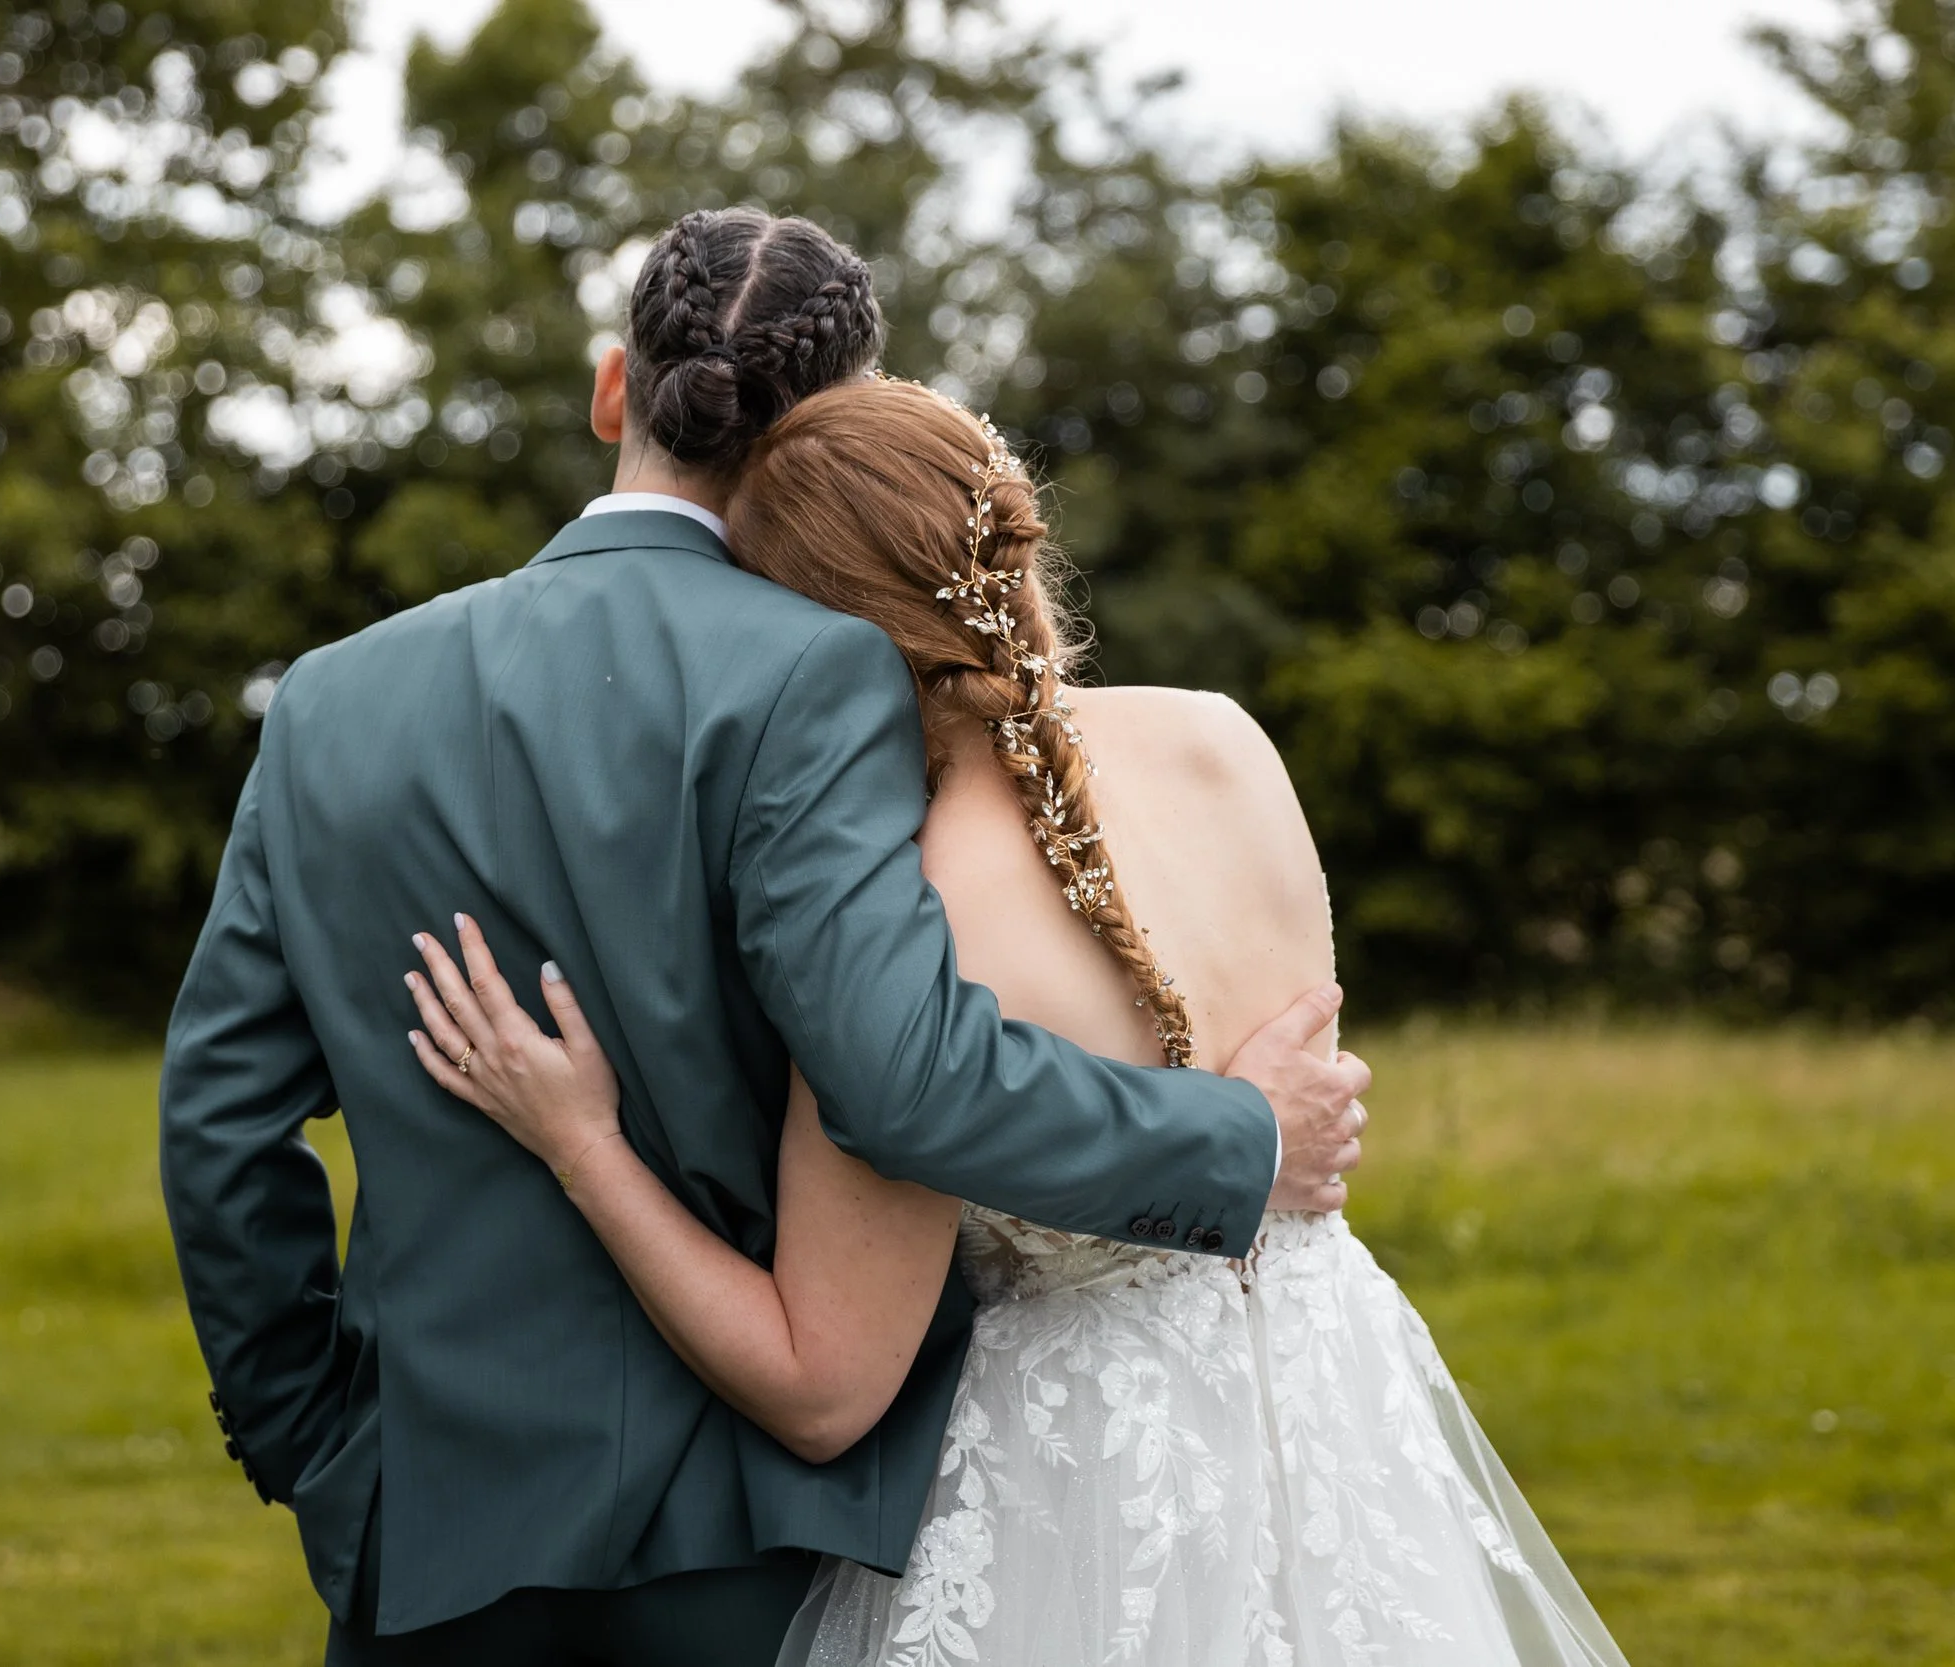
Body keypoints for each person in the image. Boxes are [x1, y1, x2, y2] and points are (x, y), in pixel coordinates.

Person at [158, 208, 1369, 1666]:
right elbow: (907, 1075)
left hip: (421, 1525)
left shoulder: (328, 700)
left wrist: (312, 1443)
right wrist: (1236, 1141)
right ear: (826, 426)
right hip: (745, 1539)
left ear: (615, 387)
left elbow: (221, 1123)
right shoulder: (825, 673)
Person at [403, 377, 1630, 1665]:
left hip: (1079, 1506)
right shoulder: (1226, 743)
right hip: (1337, 1445)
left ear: (800, 629)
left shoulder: (894, 921)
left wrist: (583, 1144)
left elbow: (821, 1389)